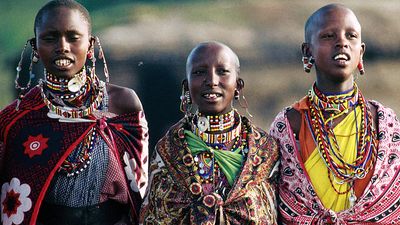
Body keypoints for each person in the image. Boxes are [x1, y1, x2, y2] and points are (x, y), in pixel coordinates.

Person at [0, 1, 149, 224]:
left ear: (90, 45)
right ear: (35, 47)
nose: (62, 46)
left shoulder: (122, 104)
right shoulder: (17, 119)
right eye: (50, 38)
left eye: (73, 37)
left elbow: (140, 193)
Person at [269, 4, 400, 224]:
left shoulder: (383, 123)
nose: (342, 42)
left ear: (361, 50)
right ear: (307, 51)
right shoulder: (291, 124)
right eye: (328, 36)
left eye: (351, 36)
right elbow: (273, 204)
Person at [140, 41, 279, 224]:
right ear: (186, 86)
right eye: (199, 72)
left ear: (238, 85)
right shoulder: (168, 150)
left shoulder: (266, 150)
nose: (212, 81)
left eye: (222, 71)